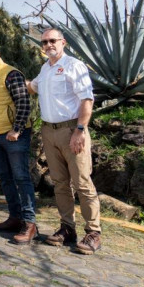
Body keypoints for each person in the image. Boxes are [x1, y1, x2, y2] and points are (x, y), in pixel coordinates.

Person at [28, 28, 101, 254]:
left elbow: (87, 100)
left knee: (82, 182)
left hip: (71, 130)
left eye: (52, 40)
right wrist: (8, 79)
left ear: (63, 42)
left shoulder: (74, 66)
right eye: (44, 42)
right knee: (60, 183)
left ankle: (93, 232)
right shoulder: (45, 68)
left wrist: (80, 130)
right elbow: (32, 87)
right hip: (49, 131)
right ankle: (67, 228)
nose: (48, 45)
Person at [0, 43, 37, 244]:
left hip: (14, 135)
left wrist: (17, 129)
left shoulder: (11, 74)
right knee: (4, 177)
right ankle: (15, 217)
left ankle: (29, 223)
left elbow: (24, 103)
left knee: (21, 177)